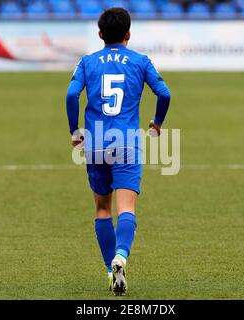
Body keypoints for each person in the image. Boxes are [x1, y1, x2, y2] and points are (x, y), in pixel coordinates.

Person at [65, 7, 171, 296]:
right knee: (127, 208)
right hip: (126, 143)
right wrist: (157, 123)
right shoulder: (140, 61)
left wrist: (74, 130)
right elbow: (165, 93)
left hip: (96, 143)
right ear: (128, 34)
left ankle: (109, 272)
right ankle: (121, 255)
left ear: (100, 34)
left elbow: (71, 94)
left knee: (102, 209)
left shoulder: (87, 62)